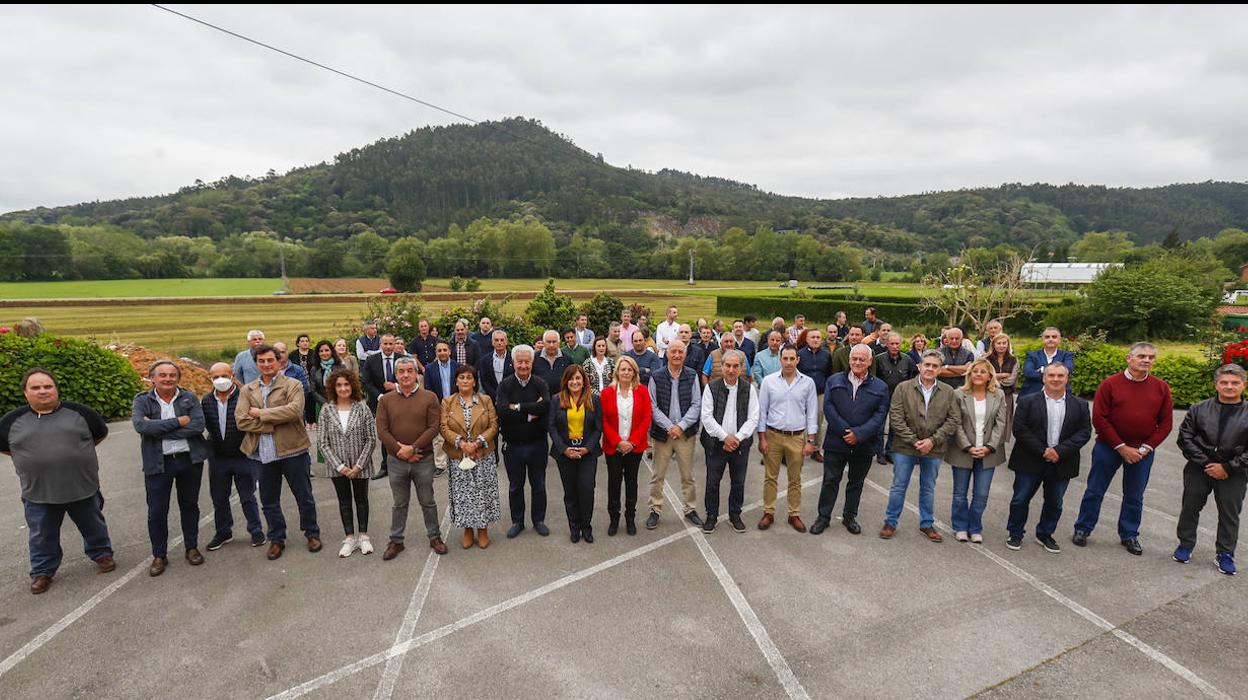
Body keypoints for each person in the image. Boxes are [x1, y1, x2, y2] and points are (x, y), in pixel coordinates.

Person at [1, 368, 115, 595]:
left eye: (48, 386)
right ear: (25, 393)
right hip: (39, 493)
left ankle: (102, 554)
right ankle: (42, 571)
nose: (42, 391)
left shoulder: (81, 413)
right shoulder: (10, 422)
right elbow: (6, 448)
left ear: (56, 389)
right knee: (42, 534)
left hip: (82, 487)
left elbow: (99, 434)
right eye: (35, 387)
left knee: (93, 525)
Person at [1073, 343, 1173, 554]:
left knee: (1134, 495)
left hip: (1142, 452)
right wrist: (1121, 447)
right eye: (1142, 356)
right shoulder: (1110, 384)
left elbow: (1165, 424)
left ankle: (1129, 534)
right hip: (1109, 447)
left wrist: (1144, 449)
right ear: (1129, 358)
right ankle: (1083, 528)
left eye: (1151, 357)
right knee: (1095, 490)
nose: (1146, 360)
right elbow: (1099, 419)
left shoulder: (1161, 387)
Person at [236, 345, 320, 561]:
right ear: (256, 364)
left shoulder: (292, 384)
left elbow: (295, 411)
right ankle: (276, 538)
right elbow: (242, 420)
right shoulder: (247, 390)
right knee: (269, 500)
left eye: (270, 360)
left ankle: (312, 533)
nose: (266, 364)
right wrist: (271, 423)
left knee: (304, 496)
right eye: (261, 361)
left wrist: (261, 413)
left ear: (279, 361)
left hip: (293, 450)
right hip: (262, 455)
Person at [132, 360, 209, 576]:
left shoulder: (189, 397)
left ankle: (191, 547)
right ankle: (159, 555)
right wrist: (179, 421)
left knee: (190, 506)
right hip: (158, 463)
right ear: (152, 378)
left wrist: (157, 430)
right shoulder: (142, 400)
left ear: (178, 378)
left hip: (188, 460)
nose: (168, 379)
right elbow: (140, 426)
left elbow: (197, 426)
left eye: (172, 375)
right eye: (162, 375)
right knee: (157, 510)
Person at [1006, 362, 1092, 553]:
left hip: (1062, 461)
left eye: (1060, 376)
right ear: (1044, 378)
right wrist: (1044, 450)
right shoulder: (1027, 401)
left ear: (1066, 379)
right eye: (1051, 375)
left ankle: (1045, 534)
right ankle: (1015, 533)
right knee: (1020, 499)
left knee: (1055, 502)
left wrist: (1059, 451)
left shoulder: (1080, 405)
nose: (1055, 379)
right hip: (1030, 459)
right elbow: (1020, 429)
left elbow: (1084, 432)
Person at [1174, 364, 1248, 575]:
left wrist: (1228, 467)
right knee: (1190, 508)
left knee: (1229, 514)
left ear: (1244, 385)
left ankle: (1225, 553)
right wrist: (1206, 463)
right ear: (1216, 385)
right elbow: (1185, 438)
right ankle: (1185, 544)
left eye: (1235, 383)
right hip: (1199, 469)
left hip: (1234, 472)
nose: (1229, 386)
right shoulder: (1198, 409)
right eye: (1224, 382)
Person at [881, 350, 961, 542]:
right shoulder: (903, 388)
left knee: (928, 487)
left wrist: (932, 440)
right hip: (905, 447)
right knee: (899, 486)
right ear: (919, 366)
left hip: (934, 448)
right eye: (927, 365)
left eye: (934, 366)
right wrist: (914, 441)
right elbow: (896, 418)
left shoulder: (948, 392)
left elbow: (953, 419)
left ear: (940, 370)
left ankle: (926, 524)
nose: (930, 369)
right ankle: (890, 522)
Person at [812, 345, 889, 536]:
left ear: (870, 362)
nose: (857, 362)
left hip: (864, 444)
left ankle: (849, 517)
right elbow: (829, 408)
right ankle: (823, 517)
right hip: (836, 441)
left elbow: (880, 415)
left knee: (856, 483)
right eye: (854, 358)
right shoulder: (834, 380)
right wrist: (846, 431)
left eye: (862, 359)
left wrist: (859, 434)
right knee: (830, 481)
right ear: (849, 360)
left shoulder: (881, 387)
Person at [376, 356, 446, 558]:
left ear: (416, 374)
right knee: (399, 503)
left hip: (423, 459)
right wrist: (402, 451)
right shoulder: (385, 400)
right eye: (401, 371)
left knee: (428, 501)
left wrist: (413, 448)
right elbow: (382, 430)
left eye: (409, 371)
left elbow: (433, 427)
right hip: (396, 461)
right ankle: (396, 541)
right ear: (396, 375)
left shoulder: (429, 397)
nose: (405, 375)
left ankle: (435, 537)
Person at [202, 363, 265, 552]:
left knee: (247, 496)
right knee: (219, 498)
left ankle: (255, 530)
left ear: (232, 375)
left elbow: (256, 421)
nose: (220, 380)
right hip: (218, 457)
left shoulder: (245, 397)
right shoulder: (206, 400)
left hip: (243, 455)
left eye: (224, 375)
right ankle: (223, 532)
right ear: (210, 378)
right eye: (215, 377)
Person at [757, 345, 819, 532]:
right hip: (773, 436)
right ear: (780, 360)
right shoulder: (768, 382)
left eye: (792, 358)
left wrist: (811, 441)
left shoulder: (808, 383)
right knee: (770, 477)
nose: (789, 362)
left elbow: (812, 413)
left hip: (796, 437)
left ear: (798, 360)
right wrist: (762, 438)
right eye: (785, 358)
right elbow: (762, 411)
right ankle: (768, 512)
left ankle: (794, 514)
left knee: (795, 479)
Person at [316, 368, 376, 557]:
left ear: (353, 386)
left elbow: (371, 439)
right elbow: (322, 442)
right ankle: (349, 538)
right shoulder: (326, 410)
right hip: (338, 467)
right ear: (333, 388)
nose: (343, 388)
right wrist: (340, 467)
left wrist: (359, 465)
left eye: (346, 384)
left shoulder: (363, 408)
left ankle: (364, 537)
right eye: (339, 385)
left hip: (360, 465)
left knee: (362, 500)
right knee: (344, 501)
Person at [947, 359, 1009, 543]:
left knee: (981, 495)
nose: (979, 374)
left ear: (990, 376)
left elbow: (1001, 423)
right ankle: (960, 526)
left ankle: (975, 528)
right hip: (963, 451)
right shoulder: (959, 394)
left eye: (983, 371)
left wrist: (989, 447)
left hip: (988, 453)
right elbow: (955, 422)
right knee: (960, 494)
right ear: (970, 374)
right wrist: (967, 446)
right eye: (975, 371)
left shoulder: (998, 395)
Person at [440, 365, 502, 550]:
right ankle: (468, 530)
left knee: (482, 492)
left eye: (469, 377)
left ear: (475, 382)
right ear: (456, 381)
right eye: (462, 377)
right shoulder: (447, 402)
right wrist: (462, 444)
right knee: (464, 495)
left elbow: (494, 425)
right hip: (459, 456)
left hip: (482, 455)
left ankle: (482, 529)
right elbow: (444, 427)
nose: (465, 380)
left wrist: (476, 444)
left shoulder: (485, 400)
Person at [699, 350, 760, 534]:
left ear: (741, 368)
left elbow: (753, 418)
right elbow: (707, 417)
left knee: (738, 482)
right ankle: (711, 515)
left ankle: (735, 514)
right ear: (722, 366)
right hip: (716, 444)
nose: (731, 370)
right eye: (728, 366)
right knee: (712, 482)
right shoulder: (711, 387)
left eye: (735, 366)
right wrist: (725, 437)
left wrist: (737, 438)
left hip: (740, 444)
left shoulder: (749, 389)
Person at [496, 344, 553, 538]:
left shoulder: (540, 383)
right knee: (515, 486)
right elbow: (503, 412)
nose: (523, 365)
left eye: (527, 362)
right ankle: (517, 521)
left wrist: (518, 407)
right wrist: (530, 413)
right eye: (519, 361)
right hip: (513, 446)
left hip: (538, 444)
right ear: (513, 362)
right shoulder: (505, 385)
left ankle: (539, 520)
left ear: (532, 362)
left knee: (539, 485)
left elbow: (546, 406)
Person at [646, 339, 703, 529]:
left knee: (688, 475)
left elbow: (696, 404)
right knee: (658, 475)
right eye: (673, 351)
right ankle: (655, 509)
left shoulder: (692, 375)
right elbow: (652, 406)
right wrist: (670, 426)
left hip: (685, 434)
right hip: (662, 435)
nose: (677, 355)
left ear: (685, 354)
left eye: (680, 351)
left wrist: (681, 426)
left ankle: (690, 509)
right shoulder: (656, 376)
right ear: (667, 354)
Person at [548, 365, 603, 543]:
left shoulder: (594, 400)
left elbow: (598, 428)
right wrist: (564, 449)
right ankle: (574, 527)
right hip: (565, 452)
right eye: (571, 379)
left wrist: (587, 448)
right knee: (570, 492)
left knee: (587, 489)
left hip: (587, 452)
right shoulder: (557, 400)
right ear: (566, 381)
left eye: (578, 378)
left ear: (584, 381)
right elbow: (552, 427)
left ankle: (586, 527)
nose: (575, 382)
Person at [600, 355, 651, 536]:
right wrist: (618, 442)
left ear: (634, 373)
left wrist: (632, 442)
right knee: (614, 483)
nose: (626, 372)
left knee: (631, 483)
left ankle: (630, 517)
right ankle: (614, 518)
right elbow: (603, 420)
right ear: (617, 372)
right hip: (613, 447)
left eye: (630, 370)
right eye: (623, 369)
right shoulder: (607, 393)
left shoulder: (642, 391)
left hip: (634, 447)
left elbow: (646, 418)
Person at [362, 334, 404, 480]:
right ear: (380, 344)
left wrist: (396, 386)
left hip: (401, 402)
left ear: (395, 344)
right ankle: (385, 466)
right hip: (379, 403)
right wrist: (380, 396)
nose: (388, 347)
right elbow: (366, 382)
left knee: (401, 433)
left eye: (391, 344)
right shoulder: (371, 360)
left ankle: (402, 465)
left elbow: (413, 381)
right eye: (385, 344)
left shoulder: (402, 359)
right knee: (385, 434)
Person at [873, 331, 917, 464]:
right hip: (882, 398)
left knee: (895, 427)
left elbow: (913, 377)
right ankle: (879, 453)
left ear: (901, 344)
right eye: (892, 343)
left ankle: (890, 451)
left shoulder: (907, 360)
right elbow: (873, 378)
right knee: (879, 427)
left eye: (897, 344)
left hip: (899, 399)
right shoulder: (878, 359)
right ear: (887, 344)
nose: (895, 346)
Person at [422, 340, 459, 477]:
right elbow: (428, 390)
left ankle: (458, 459)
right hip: (437, 406)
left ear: (449, 351)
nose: (442, 353)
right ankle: (440, 465)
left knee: (457, 433)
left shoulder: (458, 367)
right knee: (438, 438)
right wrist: (435, 406)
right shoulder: (429, 368)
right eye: (439, 350)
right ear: (436, 353)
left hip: (456, 405)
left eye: (445, 350)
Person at [799, 328, 834, 462]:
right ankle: (798, 448)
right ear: (807, 340)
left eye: (818, 337)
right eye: (812, 337)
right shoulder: (800, 354)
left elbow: (829, 373)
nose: (815, 340)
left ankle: (816, 449)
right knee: (800, 421)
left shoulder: (826, 355)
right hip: (802, 394)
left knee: (818, 421)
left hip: (820, 393)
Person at [1020, 327, 1076, 396]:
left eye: (1054, 337)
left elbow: (1067, 369)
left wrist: (1042, 369)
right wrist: (1055, 373)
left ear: (1059, 340)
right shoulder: (1032, 355)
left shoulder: (1067, 355)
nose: (1050, 339)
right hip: (1033, 393)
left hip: (1060, 393)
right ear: (1042, 339)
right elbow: (1028, 372)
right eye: (1047, 337)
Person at [985, 333, 1019, 431]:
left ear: (1008, 345)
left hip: (1007, 394)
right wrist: (1002, 375)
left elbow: (1011, 380)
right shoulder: (986, 359)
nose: (1001, 345)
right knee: (989, 420)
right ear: (993, 345)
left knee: (1004, 421)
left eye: (1004, 343)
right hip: (989, 394)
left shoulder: (1014, 360)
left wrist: (993, 378)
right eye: (999, 343)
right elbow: (984, 376)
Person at [308, 340, 343, 428]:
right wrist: (324, 402)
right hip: (321, 404)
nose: (324, 353)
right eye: (321, 351)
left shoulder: (340, 367)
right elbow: (313, 389)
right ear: (318, 353)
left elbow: (346, 385)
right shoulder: (314, 369)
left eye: (327, 350)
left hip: (339, 403)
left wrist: (335, 401)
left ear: (332, 351)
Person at [476, 330, 513, 401]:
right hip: (491, 399)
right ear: (492, 342)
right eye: (496, 340)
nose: (499, 343)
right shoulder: (485, 360)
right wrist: (496, 396)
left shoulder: (513, 359)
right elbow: (485, 381)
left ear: (506, 342)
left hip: (510, 398)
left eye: (502, 340)